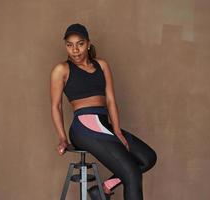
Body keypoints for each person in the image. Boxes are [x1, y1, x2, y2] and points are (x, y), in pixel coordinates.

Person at [50, 23, 157, 200]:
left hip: (103, 124)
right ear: (66, 46)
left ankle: (102, 190)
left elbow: (110, 100)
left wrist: (117, 130)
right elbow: (56, 106)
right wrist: (62, 138)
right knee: (132, 174)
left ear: (89, 44)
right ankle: (101, 191)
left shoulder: (102, 65)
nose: (75, 50)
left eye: (80, 44)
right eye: (70, 45)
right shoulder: (61, 69)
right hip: (83, 128)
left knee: (148, 158)